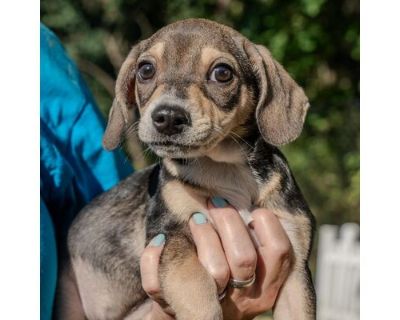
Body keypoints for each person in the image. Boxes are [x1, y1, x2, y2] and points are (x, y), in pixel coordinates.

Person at [40, 24, 293, 320]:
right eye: (147, 71)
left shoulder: (39, 60)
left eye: (221, 74)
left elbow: (101, 188)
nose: (168, 111)